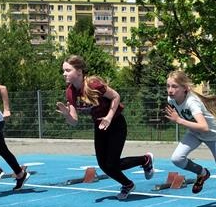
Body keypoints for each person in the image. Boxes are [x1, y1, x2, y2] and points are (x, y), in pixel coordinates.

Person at [56, 55, 154, 199]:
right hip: (100, 127)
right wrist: (66, 114)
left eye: (67, 70)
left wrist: (109, 117)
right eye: (63, 70)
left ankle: (145, 159)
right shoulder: (70, 92)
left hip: (115, 124)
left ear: (79, 71)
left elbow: (116, 96)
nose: (64, 73)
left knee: (112, 163)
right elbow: (74, 122)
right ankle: (127, 184)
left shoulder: (93, 84)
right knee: (104, 165)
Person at [165, 71, 216, 207]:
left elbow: (204, 127)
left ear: (185, 88)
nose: (170, 90)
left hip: (212, 136)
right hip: (194, 133)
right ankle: (202, 173)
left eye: (175, 86)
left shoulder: (192, 102)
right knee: (176, 159)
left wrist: (179, 120)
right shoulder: (171, 100)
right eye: (168, 86)